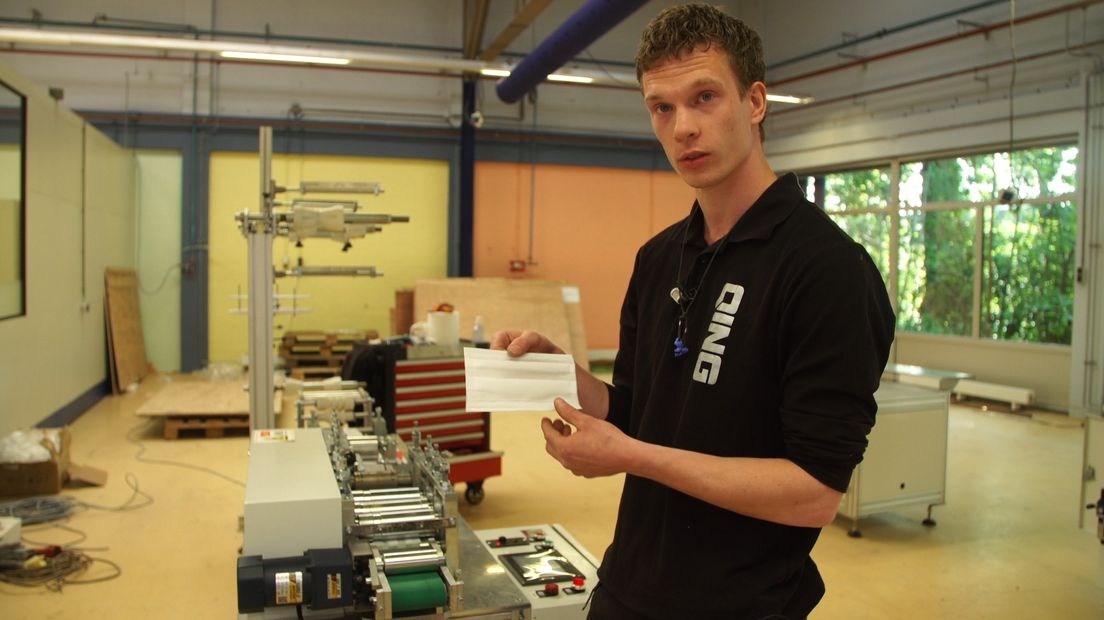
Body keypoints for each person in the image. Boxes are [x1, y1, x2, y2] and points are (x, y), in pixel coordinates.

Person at [491, 4, 895, 619]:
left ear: (755, 103)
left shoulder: (826, 268)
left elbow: (814, 492)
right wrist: (564, 376)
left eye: (705, 97)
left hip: (740, 605)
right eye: (663, 106)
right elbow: (637, 411)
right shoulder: (660, 259)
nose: (683, 127)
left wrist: (629, 457)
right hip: (627, 588)